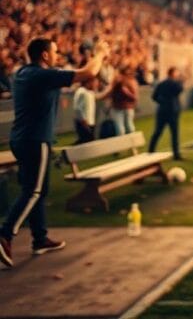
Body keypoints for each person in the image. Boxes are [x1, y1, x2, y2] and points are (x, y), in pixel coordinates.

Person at [1, 37, 110, 268]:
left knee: (38, 190)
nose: (57, 56)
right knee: (34, 190)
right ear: (44, 55)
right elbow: (88, 73)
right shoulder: (43, 75)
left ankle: (39, 239)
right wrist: (99, 53)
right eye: (55, 52)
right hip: (35, 139)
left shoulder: (21, 73)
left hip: (21, 138)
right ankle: (4, 235)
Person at [150, 67, 185, 160]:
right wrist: (181, 80)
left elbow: (154, 96)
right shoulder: (175, 83)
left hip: (162, 110)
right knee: (174, 133)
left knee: (158, 131)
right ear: (173, 73)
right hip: (173, 111)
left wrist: (162, 102)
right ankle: (176, 154)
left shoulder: (161, 84)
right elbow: (180, 89)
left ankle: (151, 150)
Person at [71, 76, 111, 145]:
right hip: (83, 122)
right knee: (86, 141)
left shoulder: (90, 92)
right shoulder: (82, 92)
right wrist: (83, 120)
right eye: (95, 83)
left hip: (90, 122)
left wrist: (109, 89)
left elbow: (99, 96)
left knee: (88, 140)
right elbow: (78, 108)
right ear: (89, 82)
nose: (97, 85)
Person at [109, 66, 138, 136]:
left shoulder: (131, 82)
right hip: (120, 107)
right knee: (124, 128)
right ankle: (129, 145)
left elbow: (134, 96)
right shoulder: (120, 81)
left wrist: (128, 93)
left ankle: (131, 145)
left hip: (124, 107)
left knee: (126, 128)